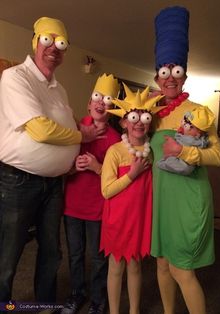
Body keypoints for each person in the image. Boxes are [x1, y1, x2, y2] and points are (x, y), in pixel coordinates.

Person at [0, 17, 105, 303]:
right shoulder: (15, 77)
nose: (54, 49)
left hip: (54, 184)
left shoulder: (60, 89)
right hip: (17, 181)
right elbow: (40, 129)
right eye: (48, 41)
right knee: (8, 253)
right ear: (35, 42)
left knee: (50, 251)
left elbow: (65, 126)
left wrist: (69, 162)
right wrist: (82, 136)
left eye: (61, 44)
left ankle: (45, 304)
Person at [150, 6, 220, 314]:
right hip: (162, 202)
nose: (170, 78)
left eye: (176, 71)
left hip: (189, 200)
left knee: (183, 271)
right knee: (163, 265)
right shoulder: (151, 113)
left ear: (184, 75)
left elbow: (218, 156)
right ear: (157, 77)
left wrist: (184, 151)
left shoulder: (199, 112)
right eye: (164, 72)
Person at [100, 84, 163, 314]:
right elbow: (106, 190)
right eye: (133, 117)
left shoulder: (152, 151)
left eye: (144, 117)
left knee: (136, 266)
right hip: (117, 220)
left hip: (139, 219)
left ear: (149, 122)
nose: (139, 122)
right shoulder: (115, 151)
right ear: (123, 122)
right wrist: (131, 175)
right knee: (116, 267)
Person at [61, 73, 121, 314]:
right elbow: (59, 164)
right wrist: (72, 168)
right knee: (75, 254)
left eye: (106, 101)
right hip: (72, 207)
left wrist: (98, 168)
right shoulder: (74, 129)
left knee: (97, 258)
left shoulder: (116, 140)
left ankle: (97, 299)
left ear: (111, 109)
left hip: (98, 209)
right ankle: (77, 293)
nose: (100, 103)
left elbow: (117, 180)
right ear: (89, 104)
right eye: (97, 98)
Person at [157, 106, 215, 175]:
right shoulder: (185, 135)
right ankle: (164, 162)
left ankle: (163, 163)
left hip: (186, 161)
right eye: (185, 121)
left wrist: (203, 142)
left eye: (189, 125)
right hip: (176, 156)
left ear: (197, 134)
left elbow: (202, 144)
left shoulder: (192, 140)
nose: (184, 125)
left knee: (186, 169)